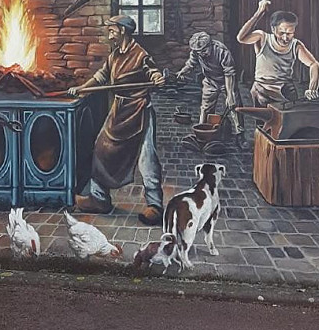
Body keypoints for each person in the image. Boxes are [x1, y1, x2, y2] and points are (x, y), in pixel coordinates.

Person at [69, 15, 165, 226]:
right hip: (119, 110)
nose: (110, 34)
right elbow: (101, 77)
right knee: (100, 149)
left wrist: (157, 78)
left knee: (147, 158)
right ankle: (99, 199)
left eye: (112, 30)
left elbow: (152, 71)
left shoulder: (140, 54)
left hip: (139, 109)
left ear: (123, 30)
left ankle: (155, 205)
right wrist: (82, 88)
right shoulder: (114, 56)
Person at [237, 0, 319, 105]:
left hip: (285, 91)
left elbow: (314, 65)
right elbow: (241, 38)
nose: (285, 38)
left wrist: (312, 88)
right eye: (281, 33)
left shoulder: (296, 45)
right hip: (261, 90)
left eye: (289, 33)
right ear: (273, 29)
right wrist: (259, 13)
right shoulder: (262, 38)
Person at [176, 31, 245, 147]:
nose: (202, 54)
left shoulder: (222, 51)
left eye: (204, 51)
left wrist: (230, 95)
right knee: (206, 108)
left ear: (210, 45)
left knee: (234, 107)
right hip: (210, 81)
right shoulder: (197, 52)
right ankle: (202, 134)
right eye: (199, 52)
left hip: (226, 82)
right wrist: (183, 71)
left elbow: (229, 74)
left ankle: (240, 135)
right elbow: (191, 63)